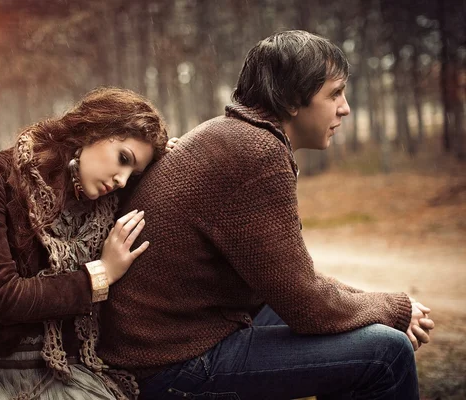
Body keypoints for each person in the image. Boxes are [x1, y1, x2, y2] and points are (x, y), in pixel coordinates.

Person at [98, 31, 435, 400]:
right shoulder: (257, 153)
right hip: (167, 368)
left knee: (352, 328)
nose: (345, 108)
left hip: (165, 344)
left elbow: (290, 280)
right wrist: (394, 309)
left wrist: (376, 306)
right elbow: (308, 306)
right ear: (293, 99)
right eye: (334, 93)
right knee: (386, 354)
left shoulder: (232, 134)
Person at [0, 87, 171, 400]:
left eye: (133, 173)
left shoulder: (111, 201)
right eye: (123, 159)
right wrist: (101, 273)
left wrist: (176, 156)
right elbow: (6, 299)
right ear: (93, 129)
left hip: (71, 372)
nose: (122, 179)